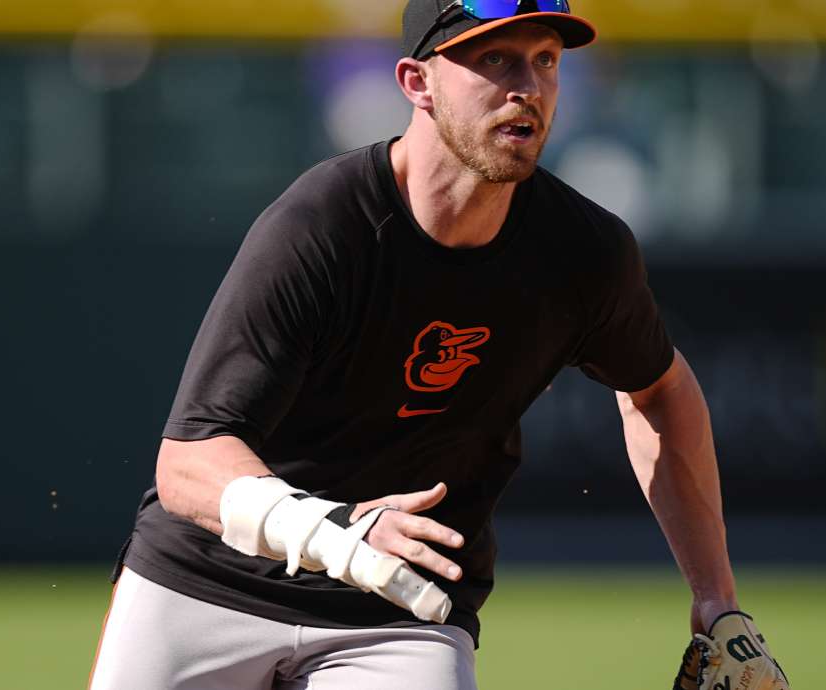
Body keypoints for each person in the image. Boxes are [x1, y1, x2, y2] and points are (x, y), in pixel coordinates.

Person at [91, 2, 789, 689]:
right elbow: (188, 462)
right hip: (208, 584)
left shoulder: (582, 253)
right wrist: (336, 535)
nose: (529, 86)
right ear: (416, 83)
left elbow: (658, 389)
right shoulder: (324, 225)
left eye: (546, 60)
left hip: (397, 612)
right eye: (494, 58)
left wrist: (715, 600)